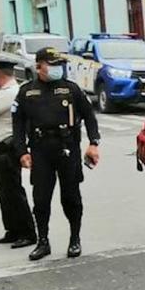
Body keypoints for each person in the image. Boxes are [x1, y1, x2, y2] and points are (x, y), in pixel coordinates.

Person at [12, 47, 100, 261]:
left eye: (59, 64)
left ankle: (74, 239)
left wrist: (93, 143)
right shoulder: (27, 92)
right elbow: (18, 124)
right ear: (39, 66)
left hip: (67, 148)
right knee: (41, 199)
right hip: (41, 151)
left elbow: (89, 116)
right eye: (52, 64)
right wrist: (22, 151)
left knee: (70, 197)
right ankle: (43, 241)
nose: (57, 68)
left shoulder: (70, 89)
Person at [0, 58, 36, 249]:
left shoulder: (11, 93)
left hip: (8, 149)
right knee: (4, 193)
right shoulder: (0, 92)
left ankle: (27, 233)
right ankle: (12, 230)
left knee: (14, 193)